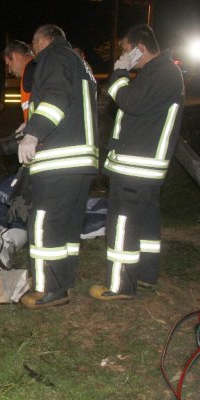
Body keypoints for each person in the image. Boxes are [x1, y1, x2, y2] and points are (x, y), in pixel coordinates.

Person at [89, 24, 184, 301]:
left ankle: (120, 285)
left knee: (123, 224)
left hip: (136, 167)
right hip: (145, 167)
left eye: (125, 51)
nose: (123, 55)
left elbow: (129, 102)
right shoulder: (161, 72)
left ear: (139, 49)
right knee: (145, 225)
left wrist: (119, 72)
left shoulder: (163, 72)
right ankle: (144, 275)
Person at [17, 24, 98, 309]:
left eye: (33, 44)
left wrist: (34, 132)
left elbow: (55, 97)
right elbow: (69, 103)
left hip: (59, 159)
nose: (34, 51)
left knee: (43, 222)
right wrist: (32, 123)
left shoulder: (54, 56)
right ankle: (62, 283)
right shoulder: (79, 62)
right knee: (66, 227)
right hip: (79, 160)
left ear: (41, 40)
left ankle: (48, 288)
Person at [3, 40, 36, 123]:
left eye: (8, 64)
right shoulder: (37, 67)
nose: (9, 71)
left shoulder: (30, 72)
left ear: (15, 56)